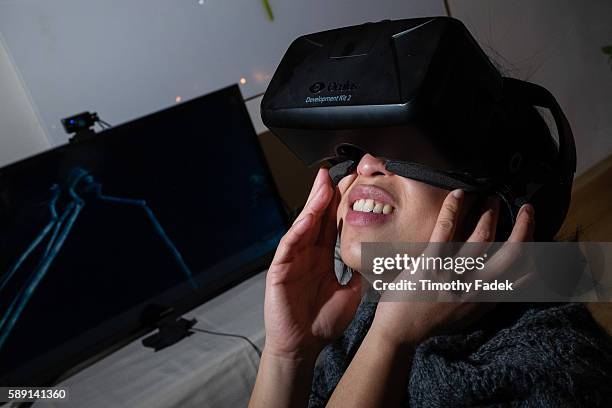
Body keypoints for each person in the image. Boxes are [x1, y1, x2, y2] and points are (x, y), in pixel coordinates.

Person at [248, 152, 612, 407]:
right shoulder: (359, 325)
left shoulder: (554, 373)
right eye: (357, 149)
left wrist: (390, 341)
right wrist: (288, 354)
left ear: (495, 201)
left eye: (407, 149)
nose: (366, 164)